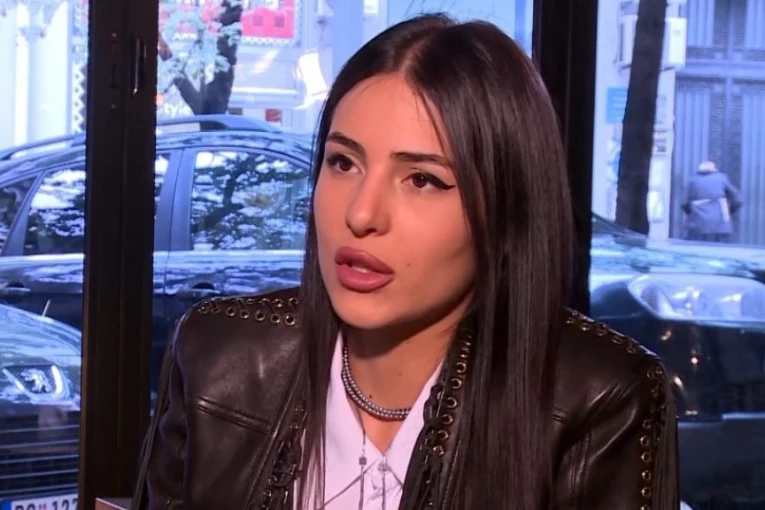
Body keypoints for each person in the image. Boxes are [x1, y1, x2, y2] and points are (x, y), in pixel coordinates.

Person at [131, 13, 678, 510]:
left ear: (507, 213)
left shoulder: (600, 399)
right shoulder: (216, 359)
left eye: (422, 180)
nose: (361, 214)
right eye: (343, 163)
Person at [682, 160, 742, 243]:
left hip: (698, 226)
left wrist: (692, 213)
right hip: (721, 226)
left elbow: (684, 204)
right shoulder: (722, 179)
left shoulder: (692, 181)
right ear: (715, 169)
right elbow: (737, 199)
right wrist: (729, 212)